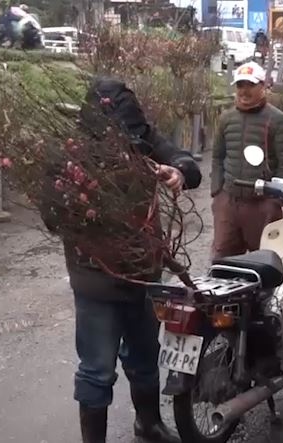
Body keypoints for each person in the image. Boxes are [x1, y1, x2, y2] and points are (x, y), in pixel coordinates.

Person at [44, 77, 201, 443]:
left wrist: (177, 172)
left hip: (145, 274)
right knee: (97, 370)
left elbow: (184, 162)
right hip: (96, 278)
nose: (125, 143)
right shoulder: (70, 155)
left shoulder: (142, 136)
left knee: (146, 357)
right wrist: (88, 208)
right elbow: (52, 216)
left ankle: (149, 424)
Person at [210, 61, 283, 259]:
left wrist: (276, 201)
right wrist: (217, 192)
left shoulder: (278, 120)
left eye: (250, 85)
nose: (244, 91)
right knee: (222, 262)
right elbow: (217, 155)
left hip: (262, 205)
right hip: (229, 203)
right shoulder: (226, 118)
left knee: (265, 263)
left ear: (263, 87)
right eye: (240, 85)